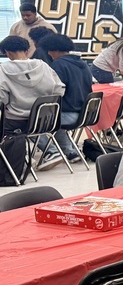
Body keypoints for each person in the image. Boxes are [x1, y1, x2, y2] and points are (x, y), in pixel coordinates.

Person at [0, 35, 64, 183]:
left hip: (16, 123)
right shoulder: (43, 66)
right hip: (45, 122)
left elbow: (2, 99)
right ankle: (25, 156)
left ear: (7, 52)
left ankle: (19, 159)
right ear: (27, 50)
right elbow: (59, 90)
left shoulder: (2, 70)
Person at [35, 34, 92, 170]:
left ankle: (51, 151)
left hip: (68, 115)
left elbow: (53, 92)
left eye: (49, 50)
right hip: (85, 114)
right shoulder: (82, 64)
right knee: (54, 117)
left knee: (30, 121)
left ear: (56, 49)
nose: (48, 53)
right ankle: (70, 152)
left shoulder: (59, 65)